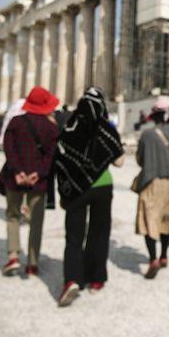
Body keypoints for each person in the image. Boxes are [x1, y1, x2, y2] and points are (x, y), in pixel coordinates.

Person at [54, 87, 124, 307]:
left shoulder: (69, 127)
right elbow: (119, 161)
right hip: (103, 187)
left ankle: (72, 280)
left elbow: (60, 160)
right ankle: (96, 279)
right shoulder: (106, 128)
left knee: (74, 237)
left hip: (77, 188)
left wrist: (63, 191)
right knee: (99, 232)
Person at [0, 87, 59, 276]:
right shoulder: (51, 127)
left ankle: (13, 257)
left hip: (14, 177)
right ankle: (32, 263)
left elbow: (9, 149)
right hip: (38, 181)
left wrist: (18, 171)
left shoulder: (16, 122)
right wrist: (37, 174)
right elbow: (51, 156)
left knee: (13, 216)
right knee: (36, 222)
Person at [134, 98, 169, 279]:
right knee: (166, 218)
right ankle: (164, 256)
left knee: (149, 220)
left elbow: (140, 159)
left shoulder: (147, 135)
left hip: (152, 181)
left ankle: (153, 259)